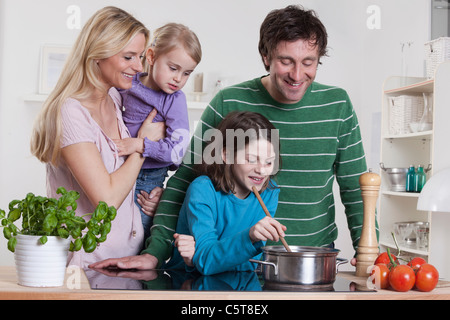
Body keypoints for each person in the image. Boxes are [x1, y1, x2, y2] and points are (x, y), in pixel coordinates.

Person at [90, 5, 368, 271]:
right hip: (233, 261)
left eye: (308, 62)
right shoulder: (230, 102)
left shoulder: (337, 106)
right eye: (286, 61)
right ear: (266, 57)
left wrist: (368, 252)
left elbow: (357, 190)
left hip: (311, 259)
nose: (297, 75)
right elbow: (187, 179)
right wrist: (155, 252)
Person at [29, 6, 166, 268]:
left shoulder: (114, 98)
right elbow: (107, 199)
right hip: (85, 265)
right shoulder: (70, 112)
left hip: (125, 258)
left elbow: (121, 177)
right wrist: (143, 147)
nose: (138, 67)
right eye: (128, 57)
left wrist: (150, 194)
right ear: (97, 55)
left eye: (140, 56)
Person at [162, 111, 284, 275]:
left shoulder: (269, 192)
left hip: (239, 286)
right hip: (189, 285)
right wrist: (250, 237)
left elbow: (246, 266)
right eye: (252, 159)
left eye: (269, 162)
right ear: (227, 155)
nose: (262, 170)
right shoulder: (203, 190)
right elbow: (206, 261)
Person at [115, 23, 202, 243]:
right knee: (111, 231)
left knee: (135, 237)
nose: (178, 79)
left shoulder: (174, 100)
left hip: (147, 181)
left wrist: (141, 145)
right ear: (151, 56)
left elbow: (178, 152)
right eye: (173, 68)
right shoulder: (128, 82)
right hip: (117, 169)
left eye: (187, 73)